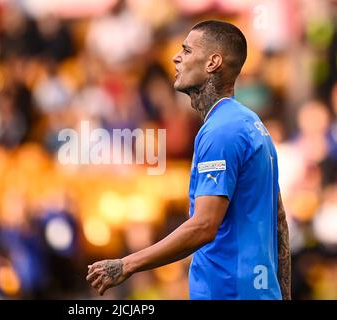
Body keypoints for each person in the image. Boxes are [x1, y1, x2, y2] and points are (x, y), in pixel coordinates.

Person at [86, 20, 291, 300]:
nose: (176, 57)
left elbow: (204, 226)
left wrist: (127, 264)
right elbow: (278, 220)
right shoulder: (250, 124)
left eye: (186, 50)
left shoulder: (222, 130)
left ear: (212, 62)